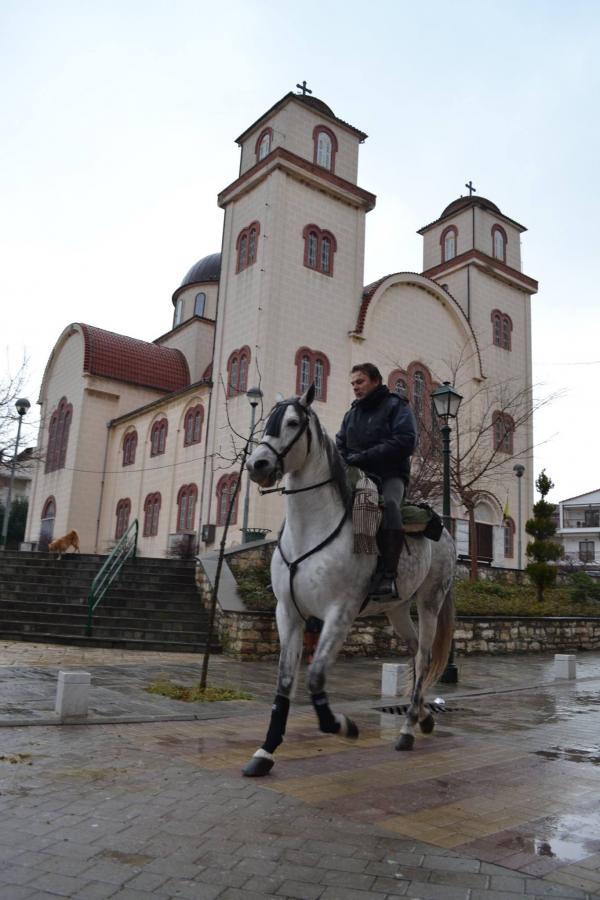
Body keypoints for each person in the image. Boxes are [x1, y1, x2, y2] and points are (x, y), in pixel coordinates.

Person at [336, 363, 417, 598]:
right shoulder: (351, 414)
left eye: (359, 382)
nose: (355, 387)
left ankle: (388, 575)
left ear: (375, 381)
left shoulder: (396, 405)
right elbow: (340, 444)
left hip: (390, 474)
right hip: (357, 475)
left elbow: (405, 440)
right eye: (352, 384)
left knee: (389, 505)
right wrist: (344, 461)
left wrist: (363, 457)